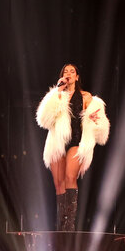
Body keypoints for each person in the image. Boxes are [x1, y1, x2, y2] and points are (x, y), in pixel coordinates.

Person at [36, 63, 110, 232]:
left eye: (72, 71)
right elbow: (44, 120)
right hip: (58, 142)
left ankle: (69, 227)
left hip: (76, 141)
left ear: (76, 77)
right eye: (65, 71)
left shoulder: (86, 96)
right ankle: (61, 227)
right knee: (59, 183)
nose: (68, 73)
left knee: (70, 177)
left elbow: (100, 125)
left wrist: (93, 119)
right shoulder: (57, 96)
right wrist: (57, 92)